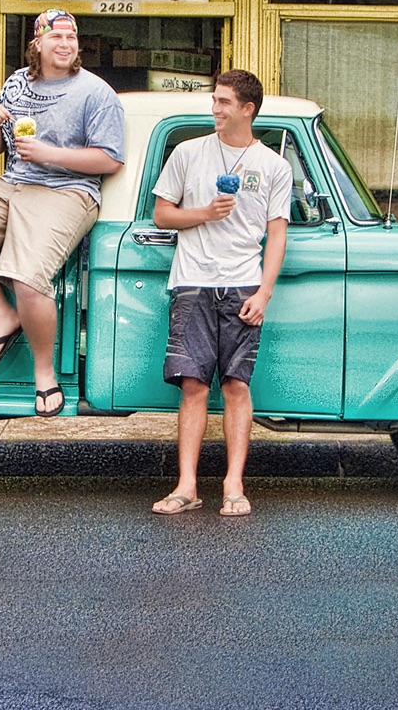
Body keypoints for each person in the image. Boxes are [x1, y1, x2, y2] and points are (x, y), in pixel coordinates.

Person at [0, 8, 124, 417]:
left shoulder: (95, 92)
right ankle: (3, 314)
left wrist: (51, 155)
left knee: (28, 278)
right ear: (38, 43)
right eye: (56, 38)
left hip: (68, 190)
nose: (66, 44)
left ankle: (44, 374)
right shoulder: (17, 82)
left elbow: (110, 160)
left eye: (71, 38)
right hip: (13, 183)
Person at [150, 70, 290, 518]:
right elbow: (161, 216)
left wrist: (265, 293)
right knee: (192, 385)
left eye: (224, 102)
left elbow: (276, 234)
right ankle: (187, 485)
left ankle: (234, 484)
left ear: (247, 109)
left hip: (243, 282)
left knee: (236, 385)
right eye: (214, 100)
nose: (215, 108)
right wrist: (205, 213)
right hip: (192, 280)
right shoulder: (188, 153)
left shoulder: (273, 165)